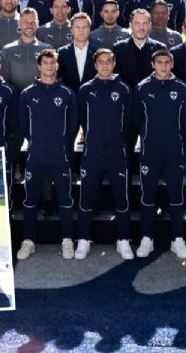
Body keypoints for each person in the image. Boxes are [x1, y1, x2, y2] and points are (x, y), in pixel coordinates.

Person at [16, 49, 78, 260]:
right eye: (46, 63)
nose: (49, 66)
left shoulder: (67, 93)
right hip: (35, 155)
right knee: (31, 199)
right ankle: (28, 241)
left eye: (53, 63)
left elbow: (72, 126)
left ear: (57, 66)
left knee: (65, 199)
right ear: (39, 66)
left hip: (59, 155)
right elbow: (24, 125)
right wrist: (38, 141)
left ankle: (67, 240)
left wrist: (57, 141)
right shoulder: (27, 93)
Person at [133, 50, 186, 259]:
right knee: (147, 196)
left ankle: (178, 239)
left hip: (174, 151)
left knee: (176, 196)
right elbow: (137, 119)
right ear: (153, 64)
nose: (164, 66)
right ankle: (146, 239)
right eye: (160, 62)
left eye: (167, 62)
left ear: (172, 64)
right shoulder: (142, 88)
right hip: (150, 151)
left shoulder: (182, 88)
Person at [76, 49, 133, 260]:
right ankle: (83, 240)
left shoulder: (124, 89)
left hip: (117, 152)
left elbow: (128, 122)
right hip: (92, 153)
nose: (106, 65)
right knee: (87, 197)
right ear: (95, 65)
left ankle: (123, 240)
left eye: (109, 61)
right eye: (101, 62)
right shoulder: (85, 90)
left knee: (121, 197)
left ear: (114, 63)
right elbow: (82, 118)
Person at [111, 9, 166, 88]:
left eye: (145, 23)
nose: (141, 28)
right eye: (137, 23)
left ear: (150, 26)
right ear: (130, 26)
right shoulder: (118, 49)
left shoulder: (160, 48)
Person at [1, 8, 49, 91]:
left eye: (33, 22)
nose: (29, 25)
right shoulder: (7, 49)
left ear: (37, 23)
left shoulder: (47, 49)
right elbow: (4, 80)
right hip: (15, 98)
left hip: (40, 99)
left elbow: (51, 78)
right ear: (19, 23)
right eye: (26, 22)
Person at [57, 13, 98, 93]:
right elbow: (58, 80)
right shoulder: (61, 53)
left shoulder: (98, 53)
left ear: (89, 29)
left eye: (84, 27)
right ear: (71, 30)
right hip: (68, 100)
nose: (81, 30)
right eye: (77, 27)